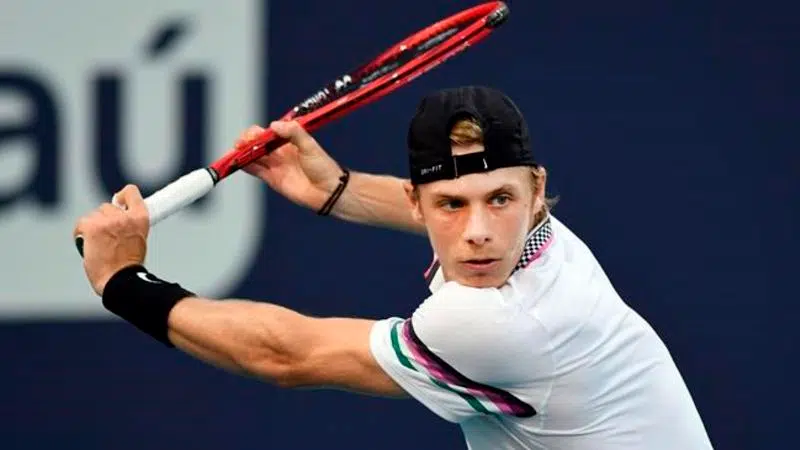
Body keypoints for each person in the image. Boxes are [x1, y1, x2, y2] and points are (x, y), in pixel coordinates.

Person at [73, 86, 713, 449]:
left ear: (535, 190)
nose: (479, 231)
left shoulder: (500, 323)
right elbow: (456, 210)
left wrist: (123, 281)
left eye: (499, 199)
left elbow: (288, 355)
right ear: (418, 200)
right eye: (451, 204)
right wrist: (337, 189)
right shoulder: (542, 238)